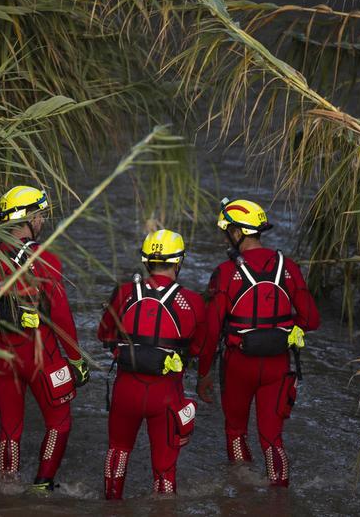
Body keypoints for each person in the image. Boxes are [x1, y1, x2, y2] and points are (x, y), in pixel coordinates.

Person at [196, 198, 320, 486]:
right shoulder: (288, 267)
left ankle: (243, 493)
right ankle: (279, 496)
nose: (225, 237)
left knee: (236, 431)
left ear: (237, 232)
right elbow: (311, 320)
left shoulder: (225, 272)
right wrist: (289, 329)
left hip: (238, 364)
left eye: (226, 231)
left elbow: (211, 331)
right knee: (272, 437)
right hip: (279, 364)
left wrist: (203, 374)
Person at [0, 185, 88, 494]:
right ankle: (42, 485)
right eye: (40, 214)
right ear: (27, 218)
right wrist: (77, 360)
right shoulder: (44, 258)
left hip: (0, 350)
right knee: (59, 422)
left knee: (10, 428)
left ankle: (6, 484)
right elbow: (62, 315)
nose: (42, 220)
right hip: (40, 352)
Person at [98, 229, 205, 499]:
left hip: (126, 389)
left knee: (118, 450)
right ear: (179, 262)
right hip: (166, 394)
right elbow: (199, 348)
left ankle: (110, 506)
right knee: (164, 467)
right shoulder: (192, 302)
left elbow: (104, 334)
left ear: (146, 261)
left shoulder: (123, 292)